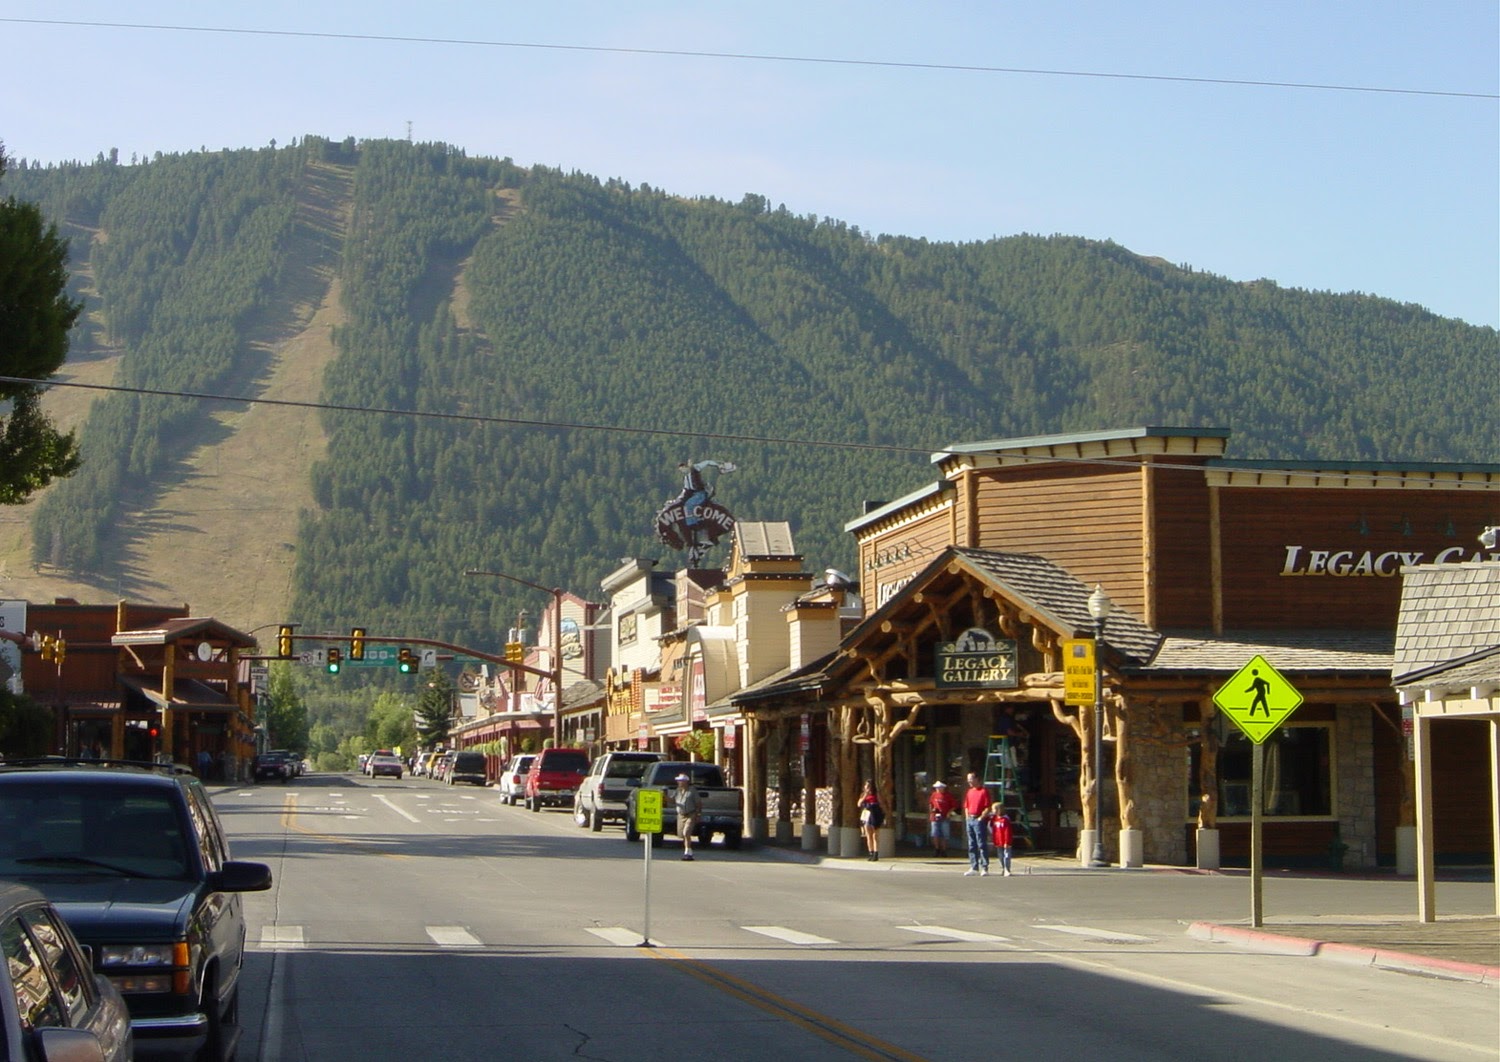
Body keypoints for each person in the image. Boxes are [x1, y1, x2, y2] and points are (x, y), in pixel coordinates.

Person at [962, 772, 991, 876]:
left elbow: (988, 807)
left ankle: (985, 867)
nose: (969, 781)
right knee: (971, 844)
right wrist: (967, 817)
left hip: (979, 820)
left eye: (971, 779)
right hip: (970, 819)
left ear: (977, 779)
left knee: (981, 844)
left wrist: (980, 818)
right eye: (968, 779)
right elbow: (966, 806)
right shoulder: (969, 792)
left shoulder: (984, 791)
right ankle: (974, 867)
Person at [675, 773, 702, 861]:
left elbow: (698, 803)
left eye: (681, 781)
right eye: (679, 781)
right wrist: (663, 796)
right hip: (681, 815)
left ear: (686, 782)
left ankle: (688, 852)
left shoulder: (692, 791)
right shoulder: (678, 790)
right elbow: (672, 800)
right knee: (682, 834)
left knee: (686, 833)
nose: (679, 782)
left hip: (691, 814)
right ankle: (687, 851)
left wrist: (698, 814)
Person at [928, 780, 958, 857]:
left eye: (939, 787)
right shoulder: (934, 795)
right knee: (935, 834)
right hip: (935, 817)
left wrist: (948, 813)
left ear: (943, 788)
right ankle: (937, 849)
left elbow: (954, 805)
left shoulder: (948, 795)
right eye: (936, 788)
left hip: (944, 817)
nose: (937, 789)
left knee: (945, 834)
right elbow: (930, 804)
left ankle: (944, 850)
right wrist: (932, 811)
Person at [857, 779, 884, 861]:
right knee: (868, 835)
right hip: (867, 815)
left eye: (869, 786)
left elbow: (881, 803)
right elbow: (858, 804)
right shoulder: (863, 795)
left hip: (875, 815)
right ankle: (871, 852)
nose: (867, 787)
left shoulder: (876, 795)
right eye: (866, 786)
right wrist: (865, 795)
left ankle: (876, 853)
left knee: (875, 835)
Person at [989, 802, 1014, 877]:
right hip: (998, 841)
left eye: (994, 809)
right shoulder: (994, 819)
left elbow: (1007, 832)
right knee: (1000, 855)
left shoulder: (1005, 820)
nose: (992, 811)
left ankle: (1007, 869)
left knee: (1006, 855)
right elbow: (990, 826)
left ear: (999, 810)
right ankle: (1003, 868)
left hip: (1005, 841)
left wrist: (1007, 842)